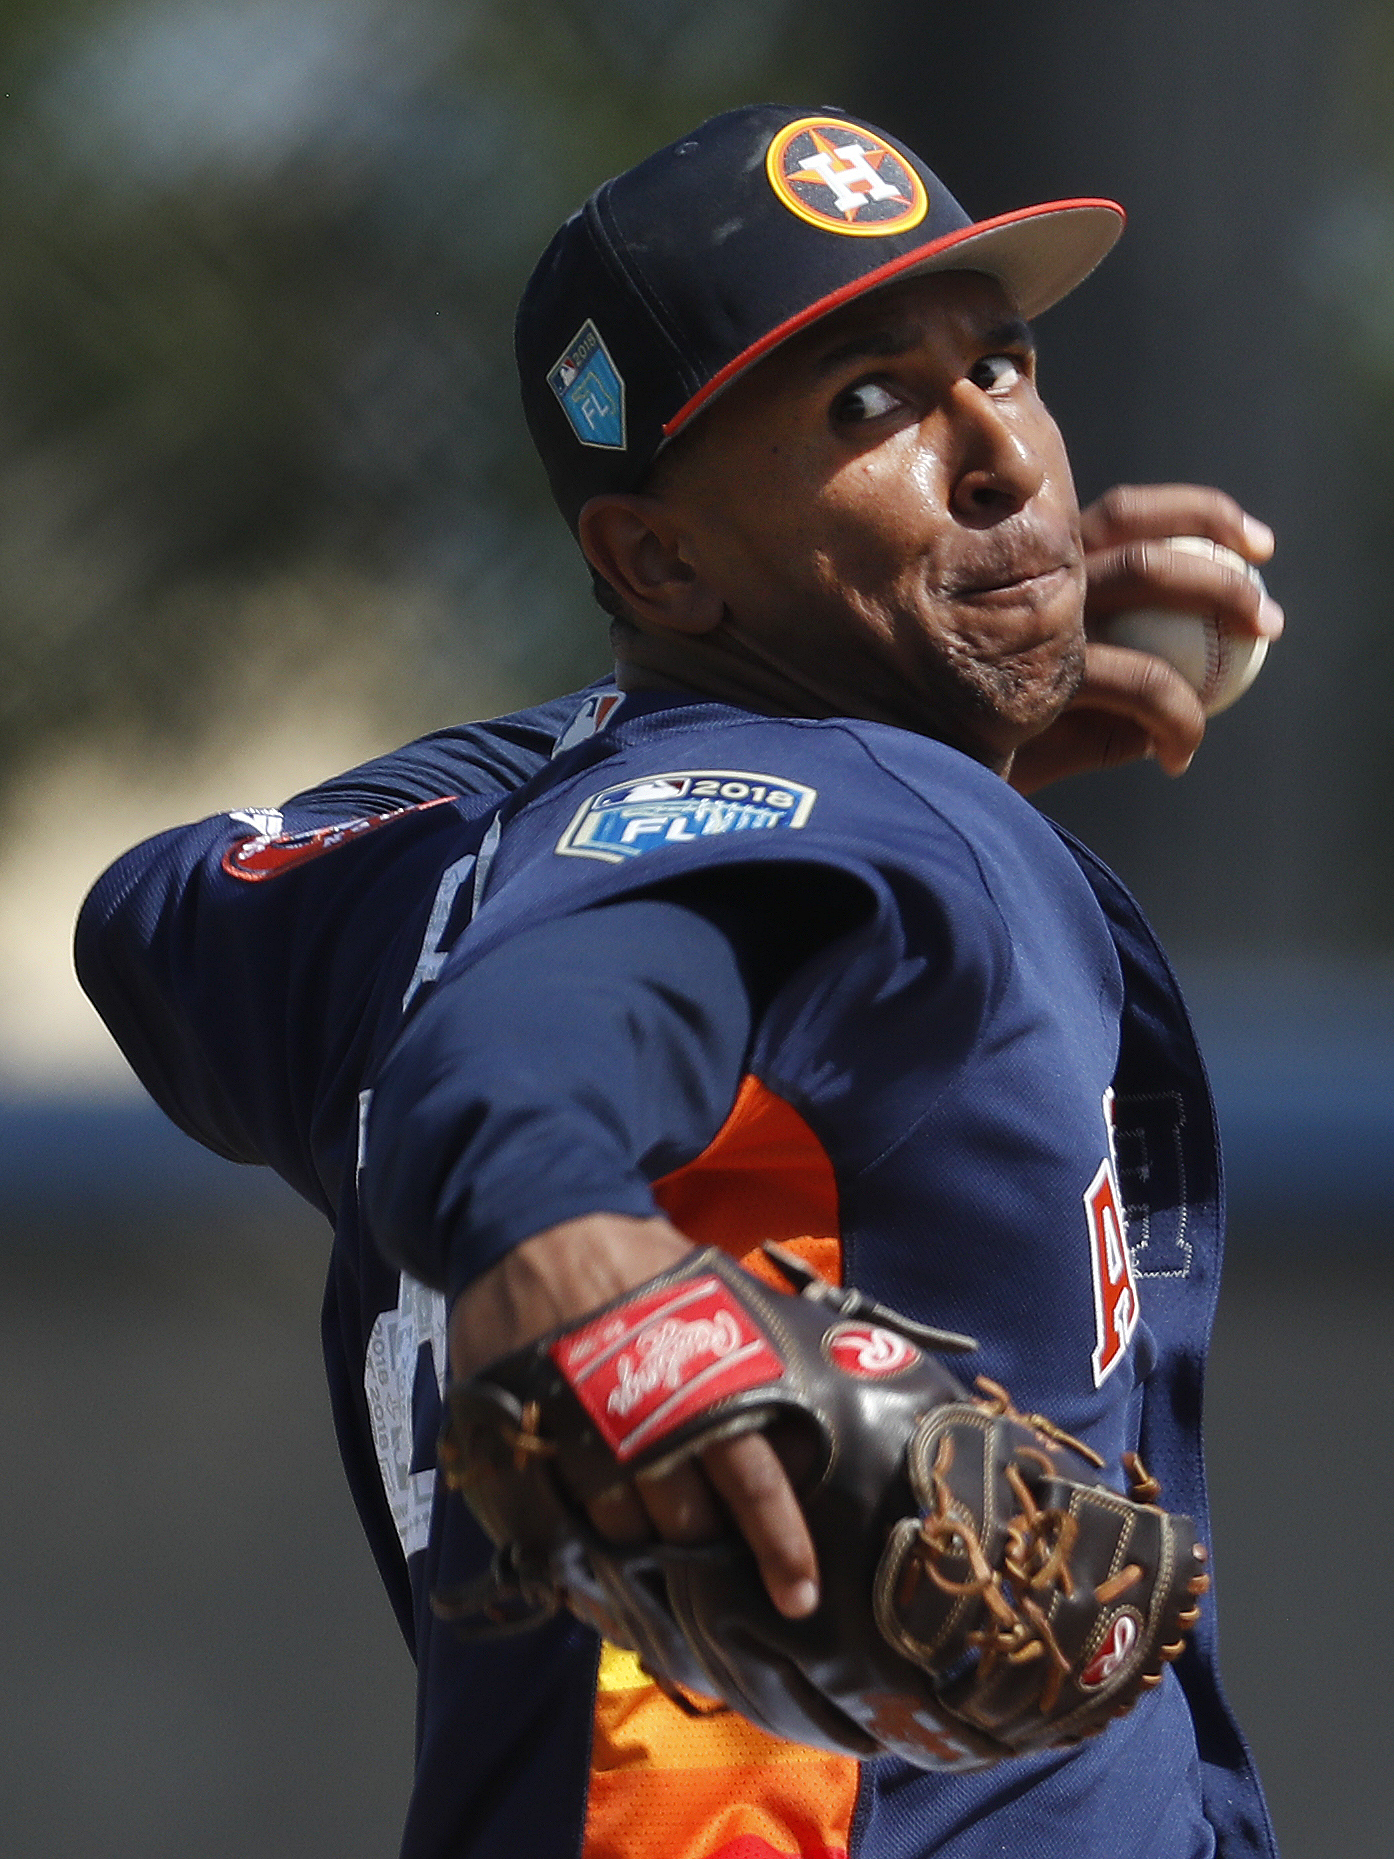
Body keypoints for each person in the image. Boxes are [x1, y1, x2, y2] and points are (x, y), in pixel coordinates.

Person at [76, 105, 1283, 1859]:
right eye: (867, 407)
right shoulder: (879, 820)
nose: (999, 457)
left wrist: (887, 693)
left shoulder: (422, 888)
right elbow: (527, 1041)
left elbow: (160, 909)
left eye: (999, 366)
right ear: (653, 561)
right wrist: (548, 1227)